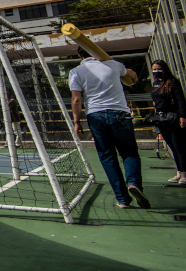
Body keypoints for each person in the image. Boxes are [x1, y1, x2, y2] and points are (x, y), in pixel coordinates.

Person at [69, 46, 150, 209]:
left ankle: (122, 199)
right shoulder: (113, 64)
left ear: (79, 55)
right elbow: (132, 75)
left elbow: (76, 99)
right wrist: (132, 75)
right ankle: (133, 183)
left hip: (95, 116)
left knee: (107, 157)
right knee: (129, 153)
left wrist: (76, 122)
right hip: (119, 113)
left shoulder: (76, 71)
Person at [149, 59, 186, 184]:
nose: (156, 71)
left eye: (159, 68)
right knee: (172, 146)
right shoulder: (155, 84)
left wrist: (182, 116)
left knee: (178, 145)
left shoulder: (172, 82)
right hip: (161, 119)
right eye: (154, 69)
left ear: (164, 69)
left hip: (173, 118)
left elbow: (181, 100)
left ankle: (184, 174)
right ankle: (179, 172)